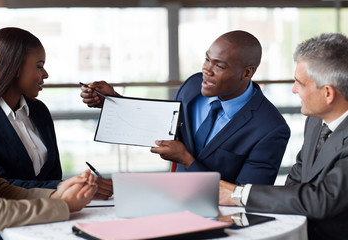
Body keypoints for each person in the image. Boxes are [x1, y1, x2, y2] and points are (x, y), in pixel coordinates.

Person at [80, 30, 290, 184]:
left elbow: (247, 197)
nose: (206, 70)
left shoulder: (270, 128)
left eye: (219, 65)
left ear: (247, 73)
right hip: (173, 199)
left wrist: (187, 160)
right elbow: (162, 125)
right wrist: (113, 101)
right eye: (207, 59)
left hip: (223, 219)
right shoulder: (192, 86)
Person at [219, 32, 348, 240]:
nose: (294, 90)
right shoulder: (315, 121)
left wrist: (238, 195)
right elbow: (296, 181)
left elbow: (323, 198)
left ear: (328, 93)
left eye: (300, 83)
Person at [0, 33, 97, 235]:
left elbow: (0, 187)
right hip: (3, 230)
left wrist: (66, 189)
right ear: (15, 67)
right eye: (39, 66)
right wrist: (62, 197)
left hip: (45, 222)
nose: (45, 74)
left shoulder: (39, 111)